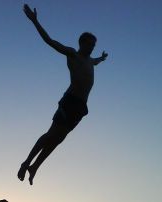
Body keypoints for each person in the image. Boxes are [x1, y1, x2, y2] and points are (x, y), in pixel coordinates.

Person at [18, 4, 108, 185]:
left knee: (58, 140)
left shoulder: (91, 60)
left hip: (81, 107)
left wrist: (101, 58)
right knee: (51, 134)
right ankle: (26, 162)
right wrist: (35, 21)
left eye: (93, 46)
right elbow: (49, 41)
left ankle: (35, 167)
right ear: (81, 43)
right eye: (89, 44)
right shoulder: (72, 54)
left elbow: (95, 62)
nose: (91, 48)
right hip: (70, 102)